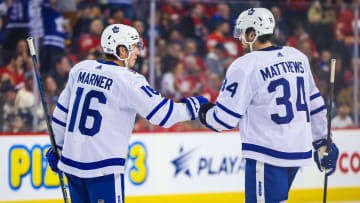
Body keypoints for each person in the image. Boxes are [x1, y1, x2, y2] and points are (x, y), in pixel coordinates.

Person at [45, 24, 207, 203]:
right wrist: (193, 107)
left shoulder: (80, 69)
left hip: (72, 164)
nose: (137, 52)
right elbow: (163, 115)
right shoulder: (128, 80)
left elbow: (61, 114)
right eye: (134, 47)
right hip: (103, 169)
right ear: (121, 51)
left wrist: (58, 149)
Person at [197, 8, 339, 202]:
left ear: (252, 34)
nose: (240, 39)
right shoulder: (298, 57)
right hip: (296, 153)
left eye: (243, 33)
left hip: (266, 154)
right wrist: (324, 141)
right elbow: (315, 105)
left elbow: (225, 119)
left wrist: (203, 111)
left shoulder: (245, 65)